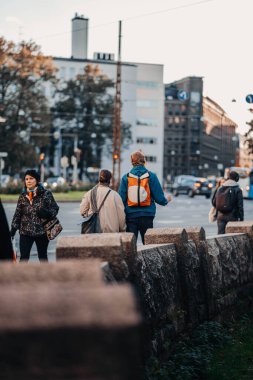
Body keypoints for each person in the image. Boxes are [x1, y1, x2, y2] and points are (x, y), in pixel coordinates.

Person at [119, 150, 172, 244]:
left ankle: (130, 259)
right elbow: (159, 198)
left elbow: (120, 200)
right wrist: (166, 200)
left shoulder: (126, 177)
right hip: (147, 214)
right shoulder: (151, 176)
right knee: (148, 243)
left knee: (130, 245)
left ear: (132, 162)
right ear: (144, 161)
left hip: (131, 215)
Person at [10, 169, 59, 262]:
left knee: (43, 257)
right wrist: (12, 230)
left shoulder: (46, 194)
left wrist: (47, 214)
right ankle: (21, 277)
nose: (28, 181)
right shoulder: (23, 196)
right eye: (26, 179)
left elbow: (55, 208)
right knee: (24, 258)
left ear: (37, 180)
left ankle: (45, 276)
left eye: (31, 178)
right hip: (25, 232)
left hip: (42, 232)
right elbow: (17, 214)